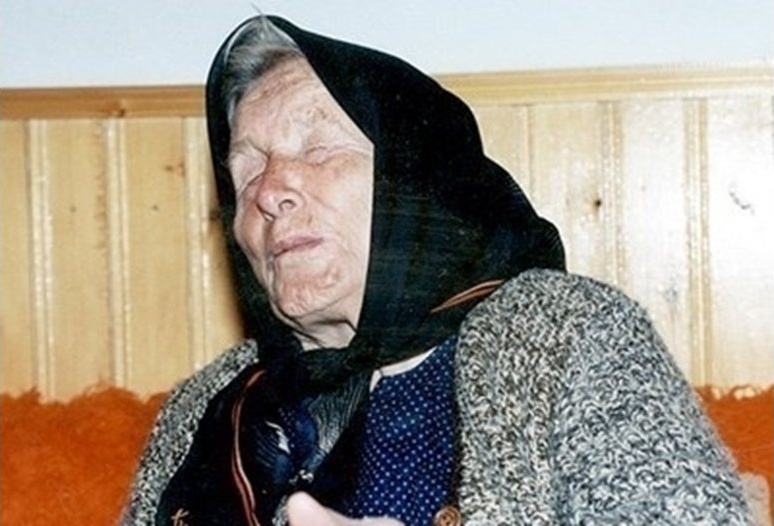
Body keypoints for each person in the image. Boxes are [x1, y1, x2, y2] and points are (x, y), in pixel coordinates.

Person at [122, 15, 753, 526]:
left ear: (416, 180)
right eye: (247, 169)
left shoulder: (564, 336)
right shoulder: (209, 405)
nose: (268, 192)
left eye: (318, 148)